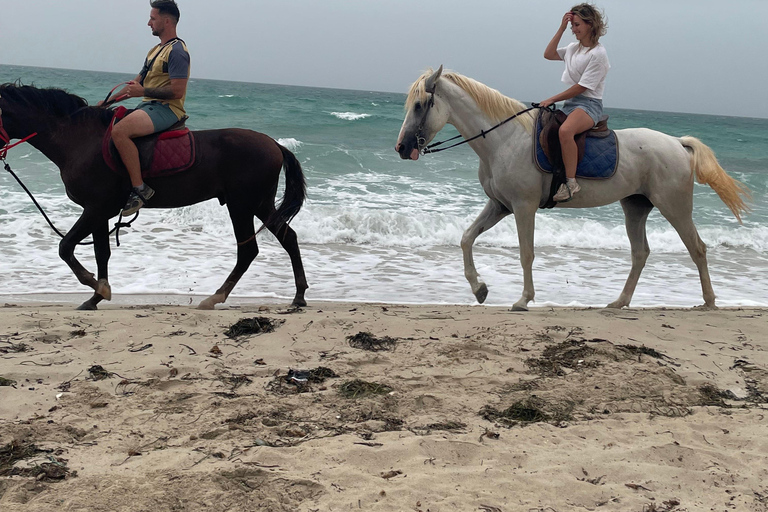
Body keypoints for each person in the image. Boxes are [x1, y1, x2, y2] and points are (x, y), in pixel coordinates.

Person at [109, 0, 191, 215]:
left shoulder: (177, 52)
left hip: (168, 109)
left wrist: (142, 92)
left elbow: (177, 92)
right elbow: (134, 86)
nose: (148, 23)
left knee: (120, 132)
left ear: (166, 21)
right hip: (148, 105)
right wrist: (105, 103)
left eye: (152, 19)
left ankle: (140, 190)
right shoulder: (155, 51)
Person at [540, 3, 609, 202]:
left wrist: (552, 98)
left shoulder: (598, 54)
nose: (574, 29)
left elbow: (582, 87)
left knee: (565, 131)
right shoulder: (573, 49)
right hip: (571, 103)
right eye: (572, 26)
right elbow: (548, 54)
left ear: (590, 25)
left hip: (589, 104)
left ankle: (571, 183)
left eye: (577, 25)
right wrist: (561, 28)